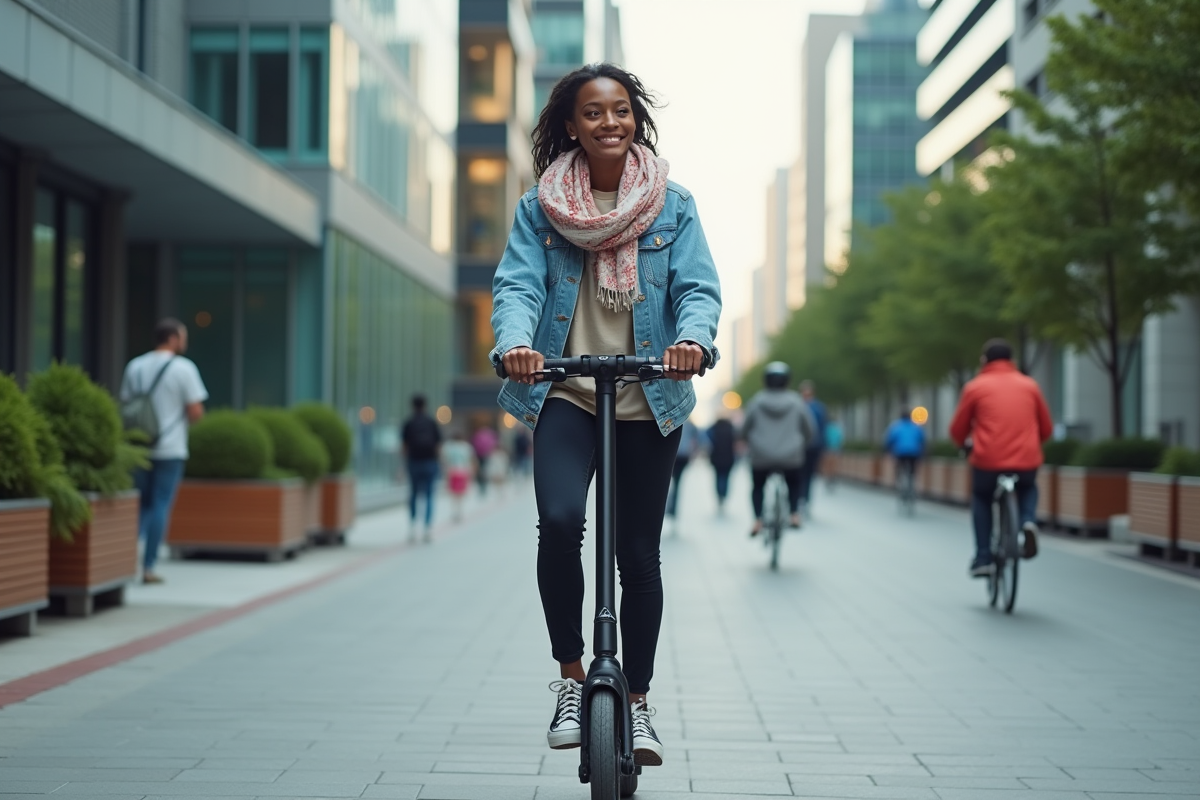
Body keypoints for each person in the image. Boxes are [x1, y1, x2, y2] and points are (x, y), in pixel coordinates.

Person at [490, 63, 721, 767]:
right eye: (594, 113)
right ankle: (568, 677)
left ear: (635, 118)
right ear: (572, 125)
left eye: (620, 110)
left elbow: (698, 290)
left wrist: (692, 342)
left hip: (647, 396)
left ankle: (641, 702)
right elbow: (518, 286)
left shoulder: (672, 205)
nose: (609, 123)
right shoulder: (540, 208)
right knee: (560, 522)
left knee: (637, 555)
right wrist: (516, 345)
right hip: (566, 391)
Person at [950, 338, 1053, 577]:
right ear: (1011, 360)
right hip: (1025, 461)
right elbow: (1046, 428)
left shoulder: (975, 387)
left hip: (988, 460)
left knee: (981, 496)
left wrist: (964, 445)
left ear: (984, 360)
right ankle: (1027, 522)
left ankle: (983, 557)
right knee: (1028, 487)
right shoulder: (1030, 386)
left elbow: (958, 430)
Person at [120, 318, 208, 585]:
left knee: (141, 504)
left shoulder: (135, 366)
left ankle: (126, 560)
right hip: (170, 447)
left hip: (139, 446)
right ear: (172, 339)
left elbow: (126, 404)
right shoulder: (183, 368)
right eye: (182, 337)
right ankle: (148, 566)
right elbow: (195, 412)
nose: (185, 342)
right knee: (160, 504)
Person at [742, 362, 816, 535]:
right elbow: (810, 430)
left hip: (761, 456)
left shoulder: (756, 401)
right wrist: (802, 443)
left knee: (758, 485)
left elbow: (744, 430)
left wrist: (748, 441)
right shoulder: (797, 402)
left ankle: (758, 521)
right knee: (795, 482)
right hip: (791, 456)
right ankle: (794, 515)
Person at [401, 395, 441, 542]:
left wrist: (403, 464)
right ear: (425, 406)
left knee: (413, 494)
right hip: (430, 462)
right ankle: (427, 528)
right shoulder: (431, 422)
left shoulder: (409, 423)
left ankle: (412, 527)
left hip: (414, 461)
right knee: (429, 495)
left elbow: (404, 446)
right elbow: (438, 445)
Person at [797, 379, 827, 511]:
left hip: (812, 446)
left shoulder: (817, 408)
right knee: (799, 474)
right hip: (800, 446)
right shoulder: (798, 406)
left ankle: (805, 499)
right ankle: (800, 498)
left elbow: (822, 427)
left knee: (808, 474)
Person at [664, 419, 699, 524]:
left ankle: (668, 506)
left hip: (673, 454)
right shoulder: (689, 422)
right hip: (683, 455)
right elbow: (696, 439)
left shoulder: (669, 419)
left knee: (666, 482)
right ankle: (673, 508)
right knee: (677, 483)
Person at [884, 409, 926, 496]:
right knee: (913, 470)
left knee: (898, 466)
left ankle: (898, 482)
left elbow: (889, 441)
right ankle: (913, 483)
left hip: (900, 452)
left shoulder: (895, 427)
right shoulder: (916, 427)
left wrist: (887, 450)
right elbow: (922, 440)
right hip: (914, 453)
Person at [441, 431, 476, 521]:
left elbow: (444, 460)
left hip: (452, 472)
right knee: (461, 493)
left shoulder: (448, 447)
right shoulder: (466, 447)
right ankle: (460, 511)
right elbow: (470, 459)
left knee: (453, 494)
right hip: (463, 472)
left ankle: (454, 512)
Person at [707, 415, 737, 515]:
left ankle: (719, 496)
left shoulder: (715, 428)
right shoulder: (731, 429)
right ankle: (724, 495)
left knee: (718, 477)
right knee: (726, 478)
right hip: (729, 458)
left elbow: (707, 433)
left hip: (717, 457)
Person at [471, 425, 499, 495]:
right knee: (485, 471)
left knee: (482, 471)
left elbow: (474, 445)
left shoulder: (477, 435)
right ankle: (484, 486)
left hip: (480, 455)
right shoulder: (490, 435)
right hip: (486, 455)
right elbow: (494, 444)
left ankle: (482, 486)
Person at [823, 415, 844, 490]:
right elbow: (840, 439)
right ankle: (832, 477)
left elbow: (824, 438)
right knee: (834, 465)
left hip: (828, 449)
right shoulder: (837, 429)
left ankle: (828, 478)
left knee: (828, 465)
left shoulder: (827, 428)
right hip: (835, 449)